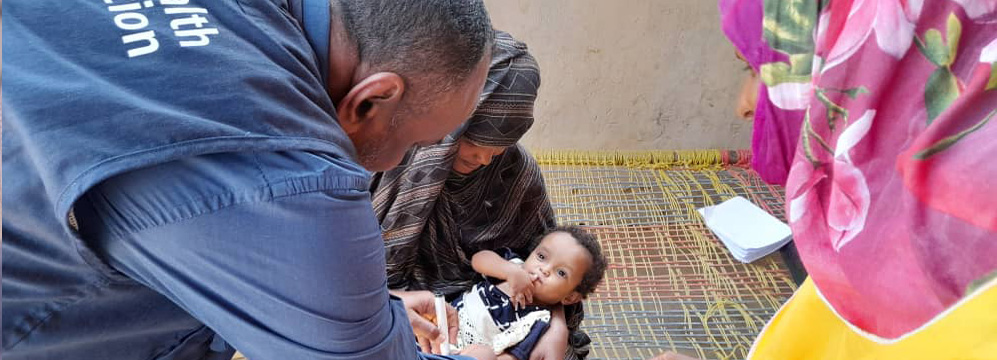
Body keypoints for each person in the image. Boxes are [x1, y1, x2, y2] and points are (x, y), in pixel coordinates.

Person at [2, 0, 501, 359]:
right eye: (413, 144)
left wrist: (374, 310)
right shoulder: (295, 185)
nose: (397, 166)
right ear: (369, 100)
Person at [671, 0, 996, 358]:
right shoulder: (875, 223)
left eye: (753, 68)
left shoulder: (964, 248)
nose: (743, 106)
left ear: (852, 55)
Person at [371, 31, 591, 360]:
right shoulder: (403, 158)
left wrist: (554, 322)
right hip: (406, 308)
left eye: (498, 147)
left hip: (501, 315)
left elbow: (548, 257)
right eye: (475, 141)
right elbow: (351, 276)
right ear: (457, 119)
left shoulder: (515, 172)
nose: (485, 159)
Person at [450, 227, 607, 360]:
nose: (544, 269)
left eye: (561, 272)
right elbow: (478, 260)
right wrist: (507, 270)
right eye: (541, 256)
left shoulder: (540, 322)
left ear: (569, 297)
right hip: (443, 324)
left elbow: (512, 356)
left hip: (462, 352)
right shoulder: (513, 266)